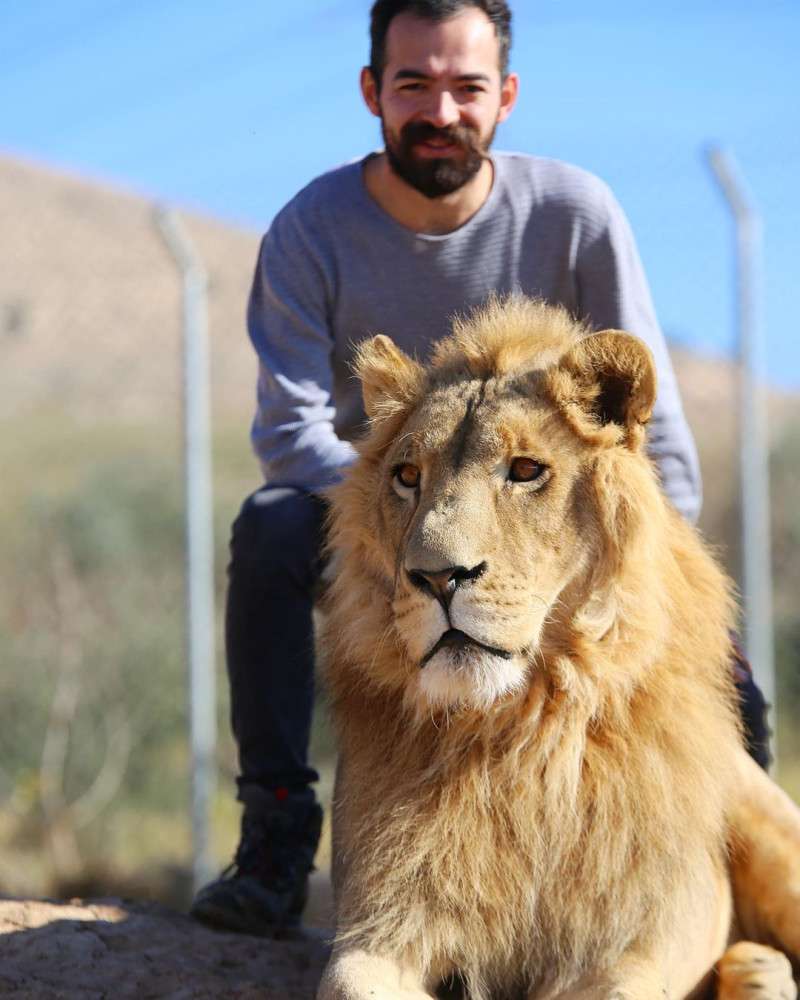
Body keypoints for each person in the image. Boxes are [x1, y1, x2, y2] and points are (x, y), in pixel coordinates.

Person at [190, 0, 769, 936]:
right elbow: (290, 432)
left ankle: (719, 861)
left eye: (466, 87)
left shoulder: (575, 213)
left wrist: (665, 580)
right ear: (373, 91)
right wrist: (398, 506)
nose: (441, 110)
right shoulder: (311, 228)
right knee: (268, 526)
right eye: (413, 85)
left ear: (505, 96)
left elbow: (638, 423)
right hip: (375, 511)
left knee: (718, 656)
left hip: (547, 517)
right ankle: (277, 834)